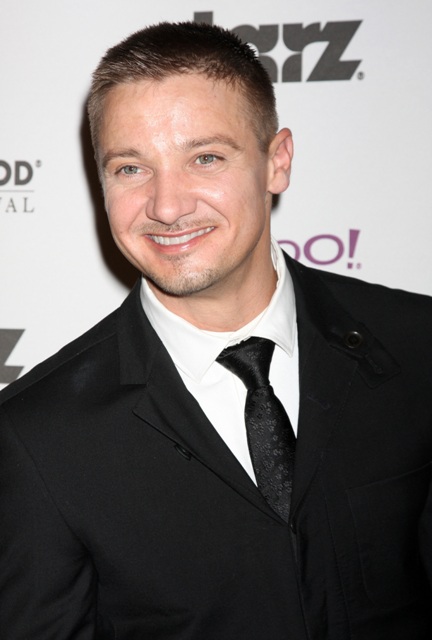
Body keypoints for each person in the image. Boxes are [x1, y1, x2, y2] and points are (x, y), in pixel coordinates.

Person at [0, 21, 431, 640]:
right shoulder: (36, 435)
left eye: (205, 158)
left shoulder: (417, 346)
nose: (167, 206)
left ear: (276, 161)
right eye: (130, 168)